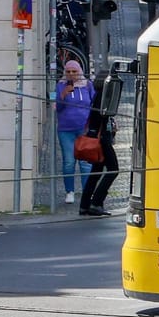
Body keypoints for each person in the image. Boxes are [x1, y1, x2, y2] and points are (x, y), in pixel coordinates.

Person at [55, 59, 95, 205]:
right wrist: (63, 95)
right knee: (69, 162)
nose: (71, 74)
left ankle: (87, 192)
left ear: (79, 72)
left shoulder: (87, 85)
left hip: (83, 129)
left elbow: (93, 104)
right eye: (68, 72)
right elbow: (58, 108)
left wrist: (91, 125)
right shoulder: (60, 86)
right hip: (66, 130)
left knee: (85, 163)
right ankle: (69, 192)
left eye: (74, 71)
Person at [79, 74, 120, 216]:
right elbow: (102, 117)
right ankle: (96, 202)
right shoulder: (103, 97)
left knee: (95, 172)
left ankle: (84, 205)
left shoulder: (97, 95)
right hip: (102, 139)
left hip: (97, 136)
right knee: (113, 169)